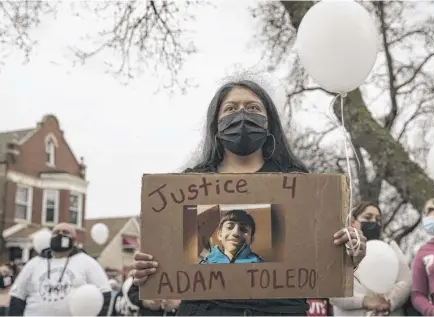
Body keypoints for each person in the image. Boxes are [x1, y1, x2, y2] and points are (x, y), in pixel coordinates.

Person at [132, 79, 368, 316]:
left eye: (253, 108)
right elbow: (171, 261)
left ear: (269, 122)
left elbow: (319, 261)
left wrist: (348, 254)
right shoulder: (189, 184)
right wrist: (149, 270)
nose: (242, 115)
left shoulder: (299, 183)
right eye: (231, 109)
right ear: (216, 122)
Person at [8, 223, 112, 316]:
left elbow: (105, 293)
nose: (60, 234)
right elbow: (17, 295)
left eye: (65, 232)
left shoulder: (87, 262)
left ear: (74, 240)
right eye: (56, 232)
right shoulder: (34, 263)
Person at [330, 201, 412, 316]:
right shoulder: (339, 248)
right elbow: (332, 291)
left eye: (378, 220)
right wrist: (365, 301)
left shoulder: (390, 248)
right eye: (368, 218)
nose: (374, 222)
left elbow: (406, 281)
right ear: (352, 222)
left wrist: (388, 302)